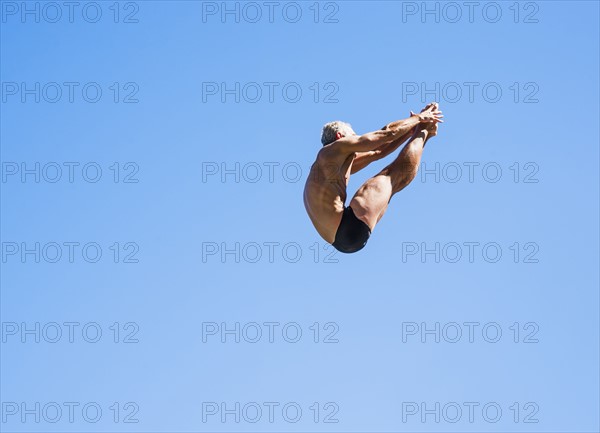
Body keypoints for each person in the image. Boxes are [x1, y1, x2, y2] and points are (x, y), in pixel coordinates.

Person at [303, 103, 443, 253]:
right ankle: (423, 132)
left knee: (391, 180)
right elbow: (385, 134)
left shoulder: (331, 167)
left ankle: (421, 133)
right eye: (354, 136)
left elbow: (378, 151)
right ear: (340, 137)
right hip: (348, 225)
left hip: (343, 240)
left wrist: (409, 131)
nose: (357, 141)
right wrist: (419, 118)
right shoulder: (331, 151)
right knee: (390, 177)